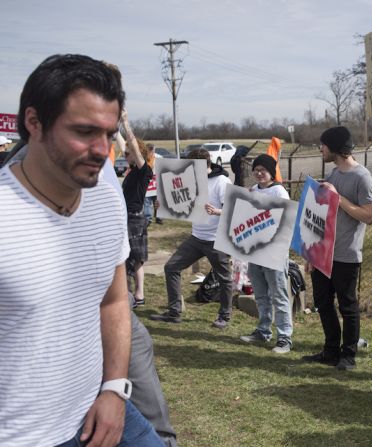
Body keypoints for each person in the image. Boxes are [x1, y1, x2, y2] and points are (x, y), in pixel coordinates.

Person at [0, 54, 162, 446]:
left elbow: (113, 302)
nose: (100, 149)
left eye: (107, 134)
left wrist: (114, 388)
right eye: (84, 131)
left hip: (99, 410)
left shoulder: (106, 204)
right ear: (34, 123)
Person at [301, 126, 372, 371]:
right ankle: (330, 351)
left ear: (334, 147)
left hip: (346, 253)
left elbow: (369, 215)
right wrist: (310, 253)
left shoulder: (362, 177)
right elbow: (321, 216)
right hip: (323, 253)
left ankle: (349, 355)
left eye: (323, 145)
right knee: (323, 303)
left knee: (347, 305)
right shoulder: (332, 175)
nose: (320, 149)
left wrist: (338, 197)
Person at [150, 148, 234, 326]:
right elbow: (179, 201)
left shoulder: (222, 181)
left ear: (206, 165)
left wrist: (217, 211)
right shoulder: (191, 179)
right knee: (171, 267)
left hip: (216, 240)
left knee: (224, 278)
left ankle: (224, 316)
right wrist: (162, 204)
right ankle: (174, 312)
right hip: (196, 238)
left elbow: (232, 210)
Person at [239, 154, 294, 354]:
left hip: (274, 251)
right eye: (256, 169)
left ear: (271, 172)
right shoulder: (252, 190)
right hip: (255, 250)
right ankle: (263, 331)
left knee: (279, 295)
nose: (259, 173)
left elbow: (285, 218)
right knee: (261, 295)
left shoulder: (279, 191)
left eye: (264, 169)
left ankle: (285, 337)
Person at [118, 112, 152, 308]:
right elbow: (123, 144)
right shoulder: (132, 170)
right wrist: (115, 128)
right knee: (135, 258)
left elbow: (130, 143)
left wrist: (125, 122)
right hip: (127, 218)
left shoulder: (143, 171)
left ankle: (135, 295)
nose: (125, 154)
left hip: (135, 219)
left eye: (129, 152)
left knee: (133, 259)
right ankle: (138, 295)